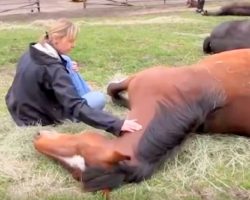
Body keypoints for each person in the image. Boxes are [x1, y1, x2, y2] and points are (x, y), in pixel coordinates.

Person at [5, 18, 142, 136]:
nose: (73, 45)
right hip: (39, 117)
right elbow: (74, 105)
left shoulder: (33, 51)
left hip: (20, 108)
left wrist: (66, 66)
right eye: (70, 41)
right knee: (99, 99)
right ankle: (89, 104)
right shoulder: (52, 69)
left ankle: (86, 97)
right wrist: (117, 124)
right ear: (57, 39)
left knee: (68, 61)